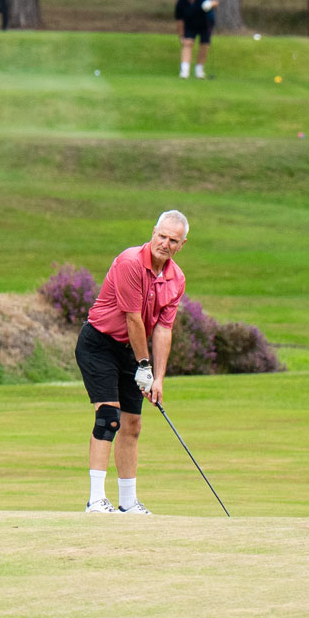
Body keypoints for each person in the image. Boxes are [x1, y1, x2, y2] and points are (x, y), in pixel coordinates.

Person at [74, 210, 189, 514]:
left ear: (182, 244)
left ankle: (128, 503)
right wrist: (143, 366)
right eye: (161, 236)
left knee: (133, 424)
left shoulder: (176, 279)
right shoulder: (130, 262)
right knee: (109, 418)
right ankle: (96, 500)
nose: (165, 243)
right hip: (98, 343)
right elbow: (133, 318)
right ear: (153, 232)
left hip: (129, 351)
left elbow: (164, 329)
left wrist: (158, 378)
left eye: (173, 240)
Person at [174, 0, 219, 78]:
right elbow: (179, 21)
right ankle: (184, 71)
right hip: (190, 25)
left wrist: (210, 4)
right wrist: (181, 36)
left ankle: (199, 70)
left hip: (205, 24)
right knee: (187, 43)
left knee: (204, 45)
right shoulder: (181, 2)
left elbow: (216, 2)